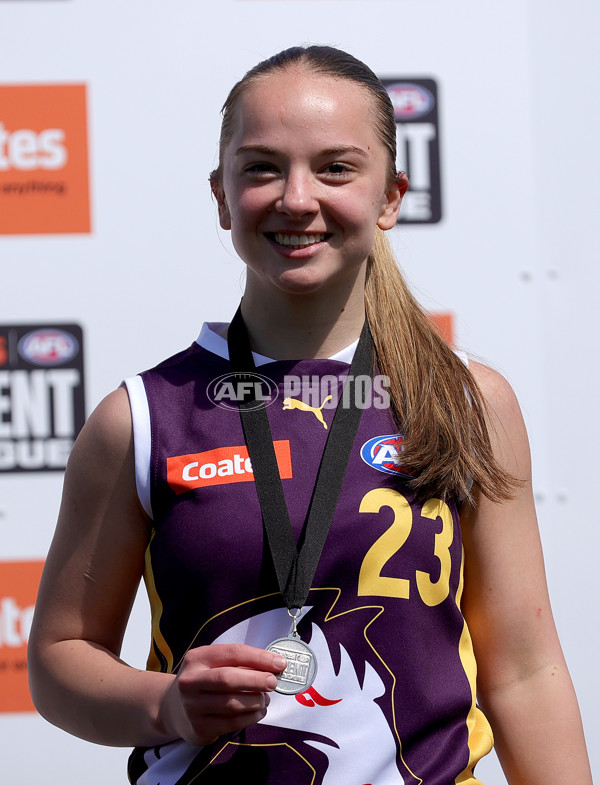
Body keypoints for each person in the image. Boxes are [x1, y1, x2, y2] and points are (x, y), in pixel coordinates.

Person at [28, 46, 592, 785]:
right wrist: (166, 703)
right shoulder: (140, 418)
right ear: (221, 196)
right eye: (261, 167)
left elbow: (525, 672)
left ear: (391, 196)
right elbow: (59, 660)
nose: (297, 197)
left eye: (335, 168)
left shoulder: (467, 403)